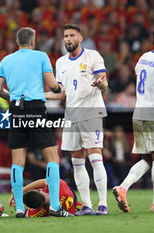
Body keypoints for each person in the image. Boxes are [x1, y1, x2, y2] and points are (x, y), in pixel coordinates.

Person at [0, 27, 73, 217]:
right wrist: (59, 88)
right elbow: (53, 85)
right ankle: (54, 205)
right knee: (52, 157)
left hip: (16, 109)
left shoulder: (6, 60)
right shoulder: (41, 56)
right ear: (33, 41)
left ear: (17, 42)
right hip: (36, 109)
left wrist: (12, 96)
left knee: (18, 162)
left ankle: (20, 209)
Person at [112, 27, 154, 213]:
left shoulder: (142, 59)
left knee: (147, 158)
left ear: (153, 40)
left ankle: (122, 187)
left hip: (139, 112)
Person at [46, 24, 109, 215]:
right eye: (65, 36)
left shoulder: (93, 56)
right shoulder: (61, 62)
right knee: (76, 160)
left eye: (72, 35)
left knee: (95, 156)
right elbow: (61, 93)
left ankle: (103, 205)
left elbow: (104, 83)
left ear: (80, 38)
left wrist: (101, 84)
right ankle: (87, 205)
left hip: (91, 111)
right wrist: (40, 95)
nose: (68, 39)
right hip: (71, 114)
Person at [9, 179, 81, 217]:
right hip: (70, 196)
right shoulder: (59, 185)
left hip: (70, 208)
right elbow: (44, 181)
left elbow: (26, 213)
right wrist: (22, 190)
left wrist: (17, 203)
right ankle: (82, 207)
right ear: (39, 191)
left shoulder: (41, 211)